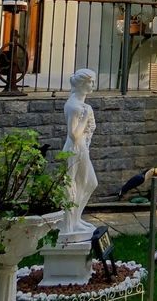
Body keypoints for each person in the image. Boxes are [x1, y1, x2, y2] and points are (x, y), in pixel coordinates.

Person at [60, 68, 98, 239]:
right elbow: (73, 135)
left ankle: (76, 218)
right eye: (90, 82)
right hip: (74, 149)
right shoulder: (74, 106)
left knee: (89, 183)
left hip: (82, 148)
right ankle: (69, 224)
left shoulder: (81, 105)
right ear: (82, 84)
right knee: (72, 186)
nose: (92, 85)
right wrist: (85, 116)